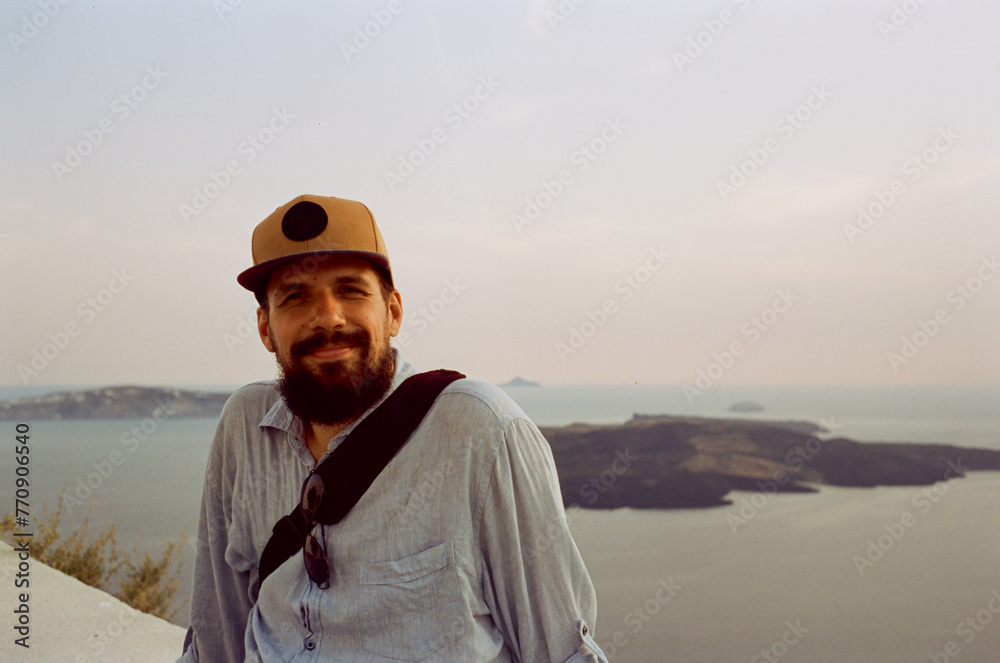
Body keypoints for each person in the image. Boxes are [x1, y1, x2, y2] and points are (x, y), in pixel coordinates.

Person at [177, 194, 608, 662]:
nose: (328, 317)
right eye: (295, 296)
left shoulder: (481, 429)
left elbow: (560, 649)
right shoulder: (245, 426)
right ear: (265, 327)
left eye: (350, 290)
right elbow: (216, 633)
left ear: (394, 312)